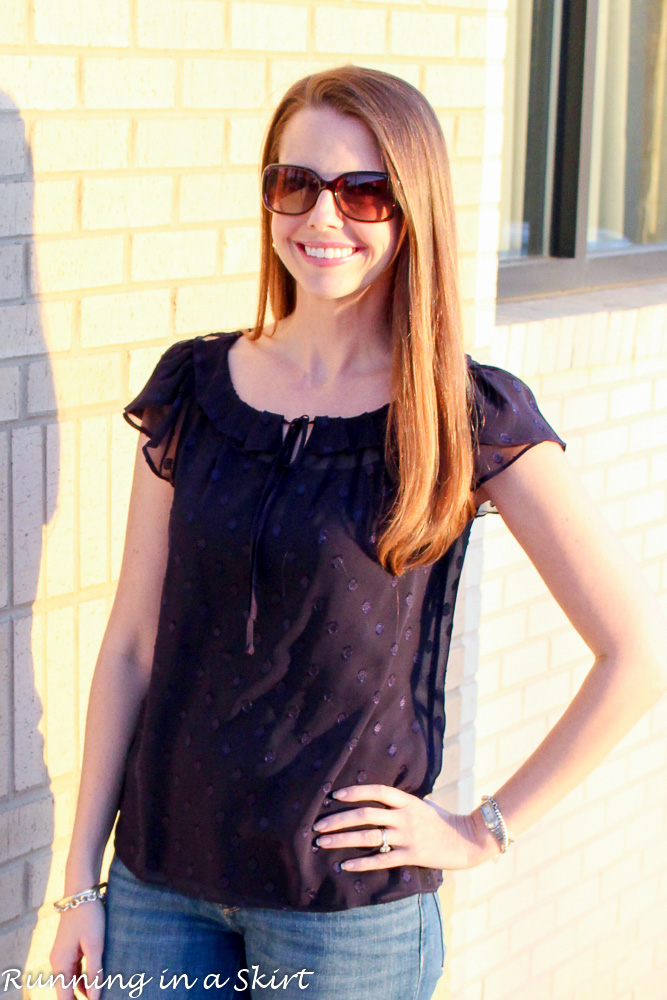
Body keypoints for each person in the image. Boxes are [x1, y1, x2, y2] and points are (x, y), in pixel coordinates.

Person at [48, 65, 667, 1000]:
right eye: (294, 185)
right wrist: (77, 885)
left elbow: (637, 654)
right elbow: (131, 646)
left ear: (410, 210)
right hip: (156, 892)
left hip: (349, 919)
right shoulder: (194, 390)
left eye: (362, 192)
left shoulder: (463, 412)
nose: (321, 218)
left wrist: (482, 829)